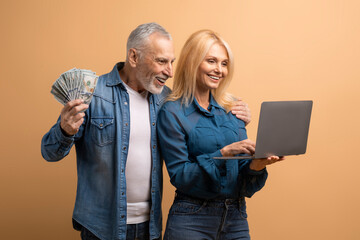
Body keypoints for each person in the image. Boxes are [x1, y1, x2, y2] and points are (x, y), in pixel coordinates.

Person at [41, 23, 252, 240]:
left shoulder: (166, 100)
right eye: (161, 61)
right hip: (101, 226)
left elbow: (201, 125)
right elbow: (49, 152)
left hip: (149, 226)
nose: (170, 72)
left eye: (171, 62)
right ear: (134, 57)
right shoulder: (93, 93)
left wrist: (236, 117)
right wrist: (65, 130)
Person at [157, 29, 284, 240]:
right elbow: (180, 175)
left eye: (224, 63)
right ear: (192, 62)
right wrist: (223, 153)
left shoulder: (232, 109)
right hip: (192, 219)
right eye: (212, 61)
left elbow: (241, 176)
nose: (220, 70)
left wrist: (258, 164)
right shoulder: (172, 112)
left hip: (236, 217)